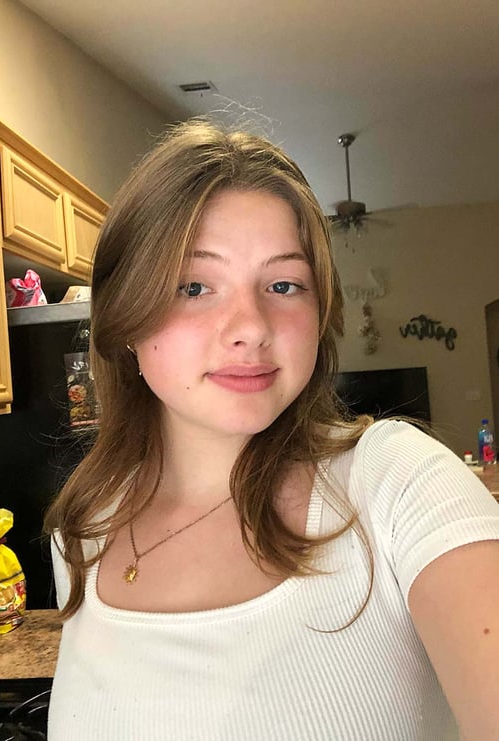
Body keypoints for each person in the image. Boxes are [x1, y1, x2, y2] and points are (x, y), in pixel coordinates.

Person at [46, 120, 499, 741]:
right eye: (194, 286)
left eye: (284, 285)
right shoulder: (84, 529)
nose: (252, 327)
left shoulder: (396, 482)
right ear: (126, 314)